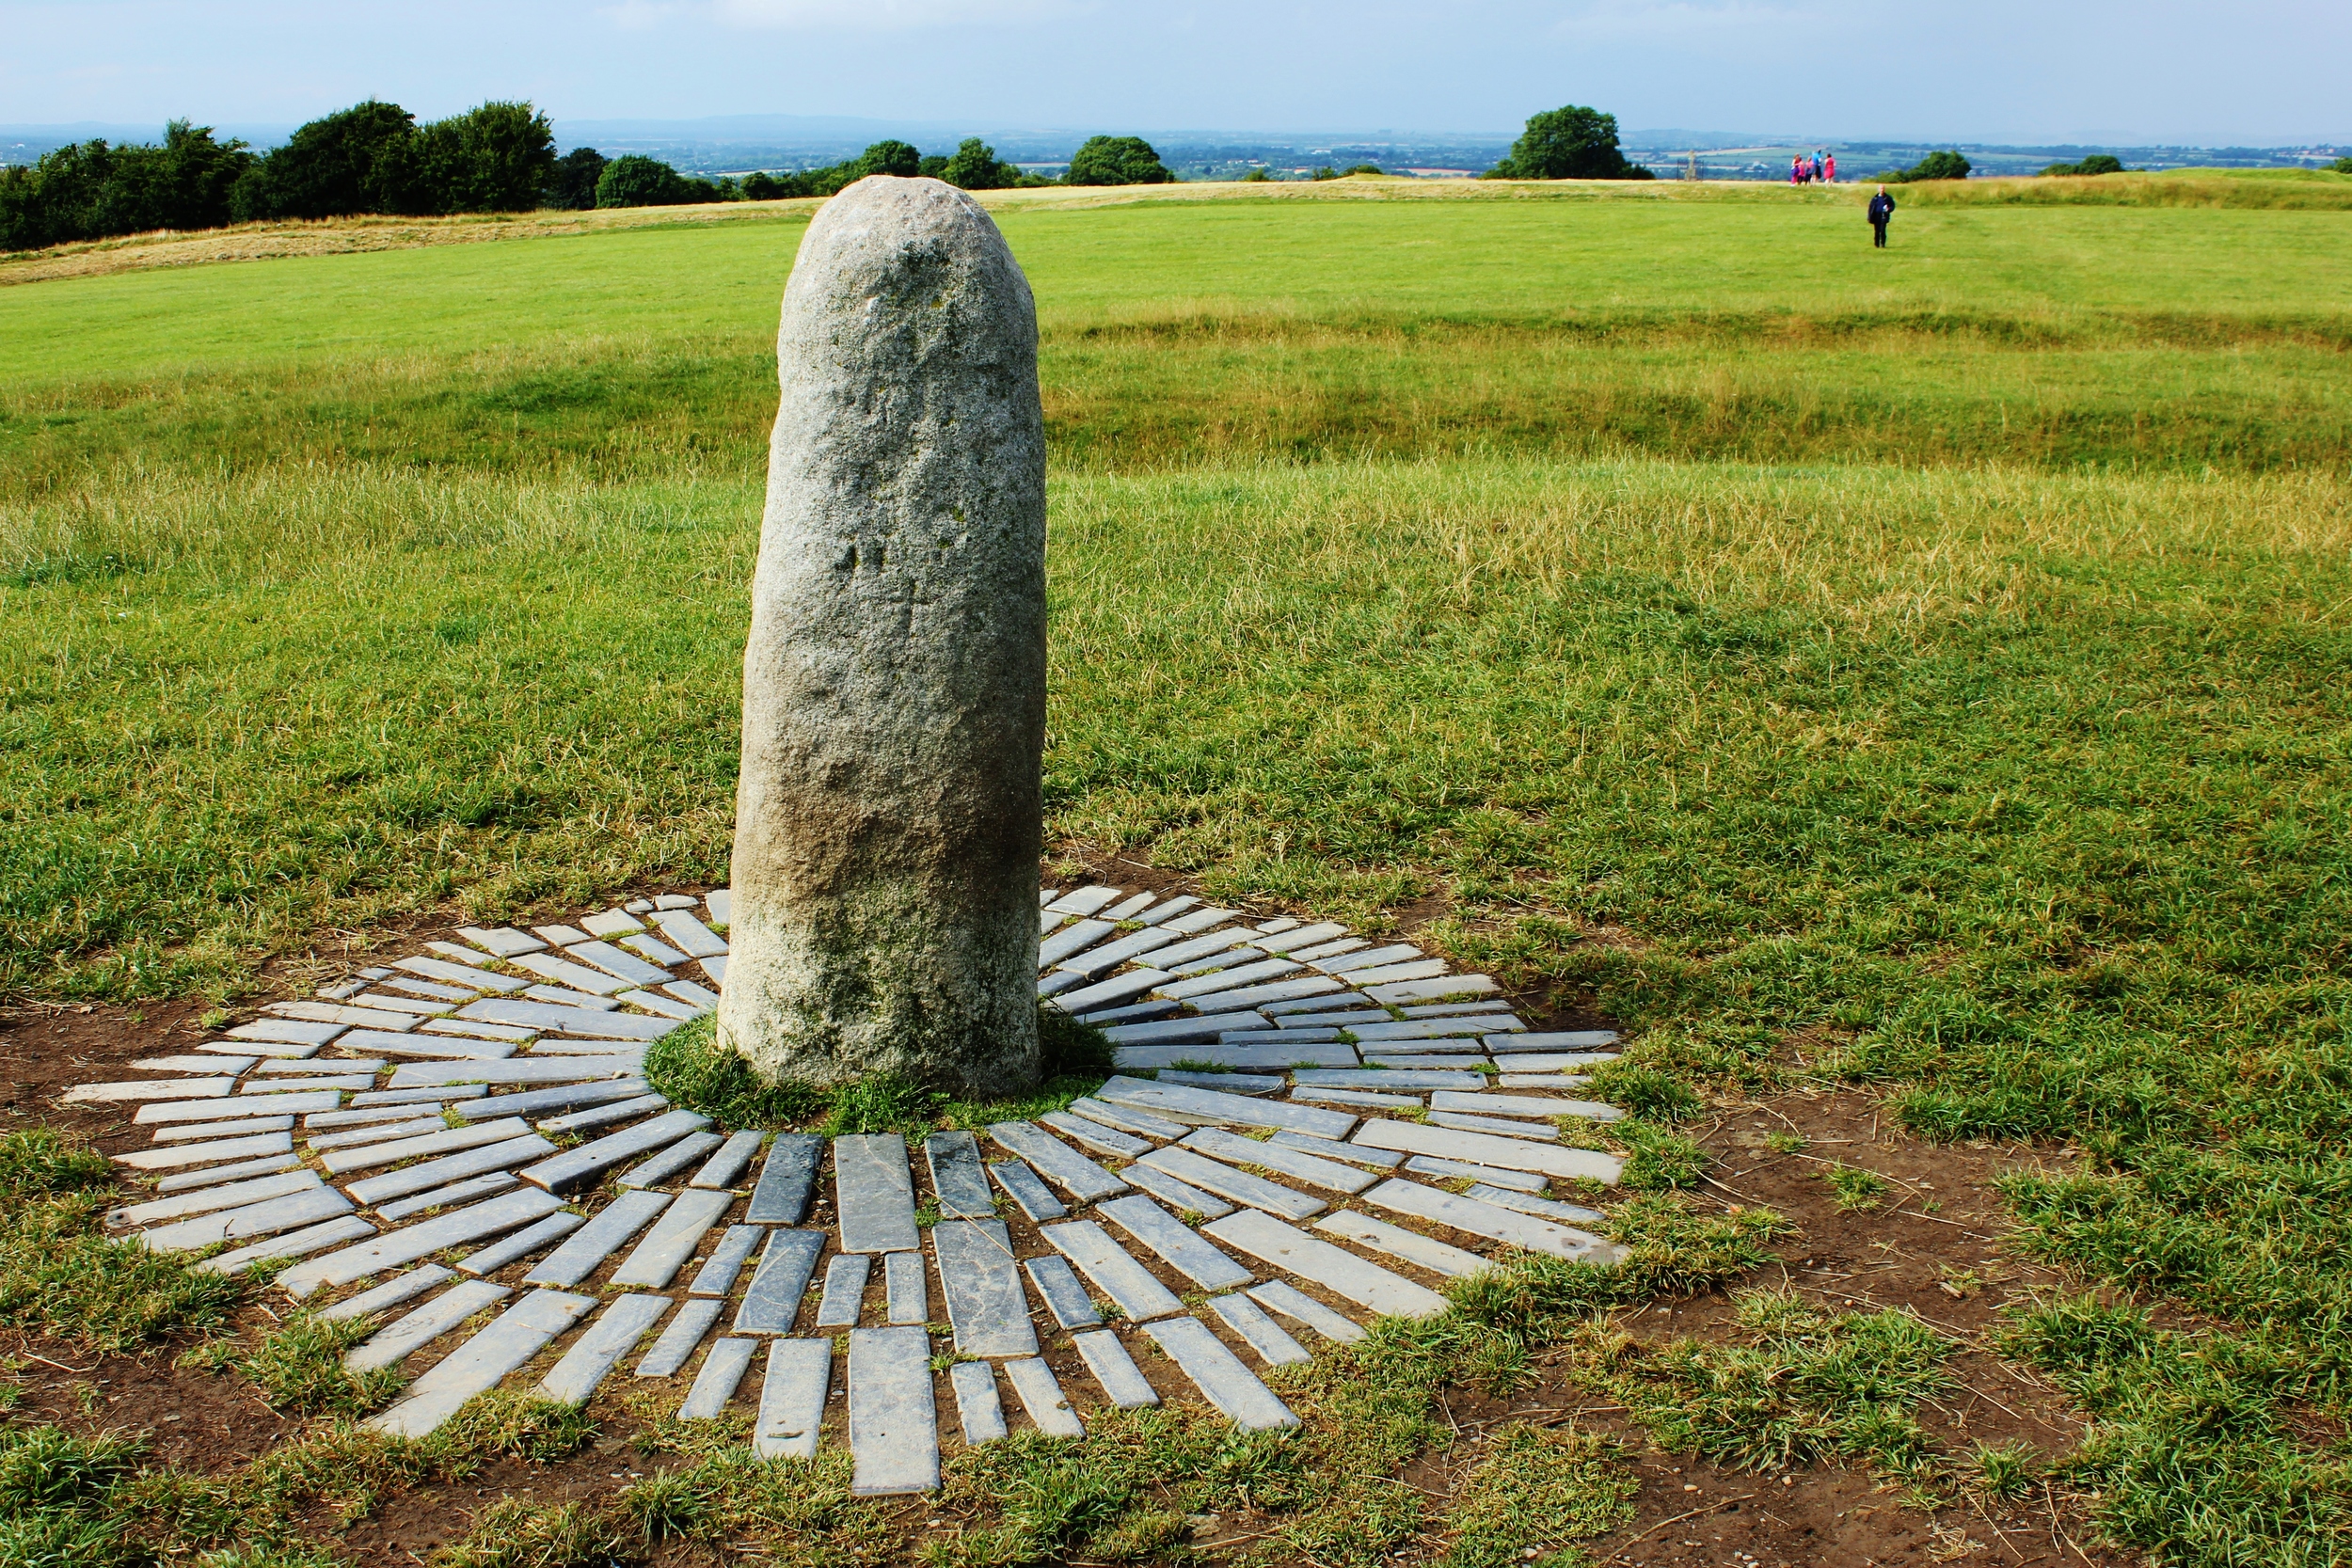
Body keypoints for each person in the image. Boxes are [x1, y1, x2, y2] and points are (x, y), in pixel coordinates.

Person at [1867, 183, 1896, 247]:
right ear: (1878, 189)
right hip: (1876, 216)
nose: (1882, 190)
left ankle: (1883, 243)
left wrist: (1889, 209)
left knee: (1882, 230)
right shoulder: (1875, 198)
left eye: (1883, 188)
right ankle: (1876, 244)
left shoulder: (1888, 198)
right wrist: (1869, 216)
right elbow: (1871, 207)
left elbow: (1892, 206)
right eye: (1880, 188)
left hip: (1884, 215)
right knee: (1877, 231)